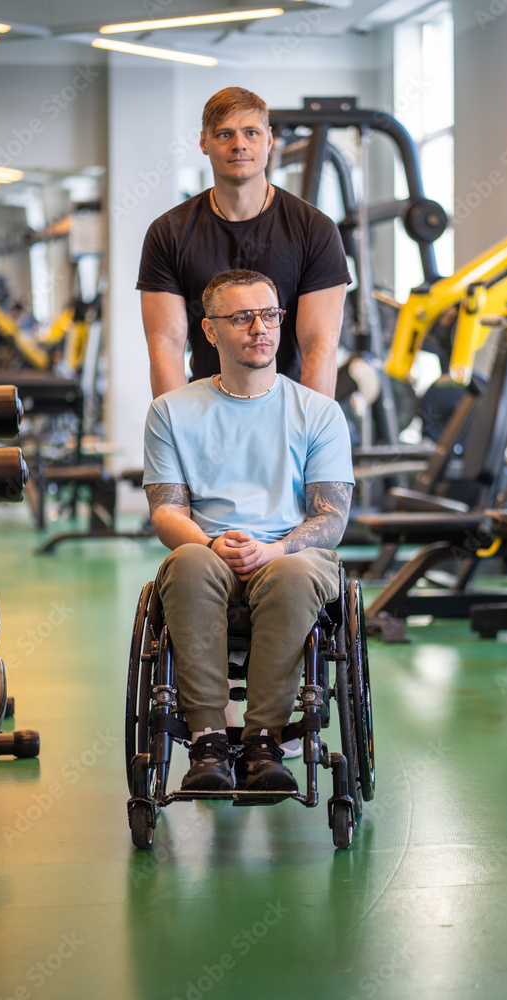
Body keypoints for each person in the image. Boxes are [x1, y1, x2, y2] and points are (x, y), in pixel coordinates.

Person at [143, 269, 354, 794]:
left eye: (270, 315)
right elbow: (166, 511)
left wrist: (275, 549)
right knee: (187, 563)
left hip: (290, 553)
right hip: (209, 550)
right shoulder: (171, 412)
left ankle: (264, 740)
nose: (261, 328)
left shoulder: (319, 413)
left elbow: (331, 517)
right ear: (210, 330)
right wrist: (210, 543)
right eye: (242, 317)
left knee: (292, 575)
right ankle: (208, 740)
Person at [137, 86, 351, 400]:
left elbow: (319, 346)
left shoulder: (315, 230)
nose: (239, 144)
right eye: (225, 134)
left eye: (251, 133)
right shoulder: (168, 233)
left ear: (269, 139)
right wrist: (177, 425)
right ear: (204, 142)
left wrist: (309, 426)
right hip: (205, 410)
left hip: (289, 409)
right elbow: (165, 346)